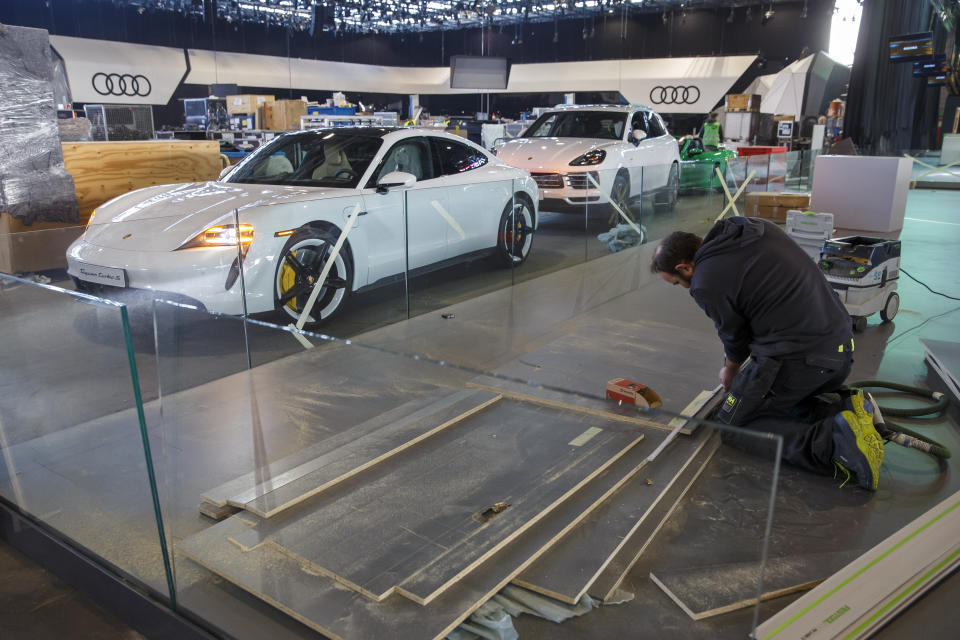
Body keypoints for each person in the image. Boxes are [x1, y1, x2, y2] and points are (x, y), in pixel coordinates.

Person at [650, 218, 885, 490]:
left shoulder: (705, 280)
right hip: (839, 349)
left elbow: (735, 337)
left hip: (803, 359)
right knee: (763, 397)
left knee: (732, 424)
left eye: (677, 282)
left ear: (685, 267)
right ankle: (844, 408)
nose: (684, 288)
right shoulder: (750, 228)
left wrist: (731, 370)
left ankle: (834, 444)